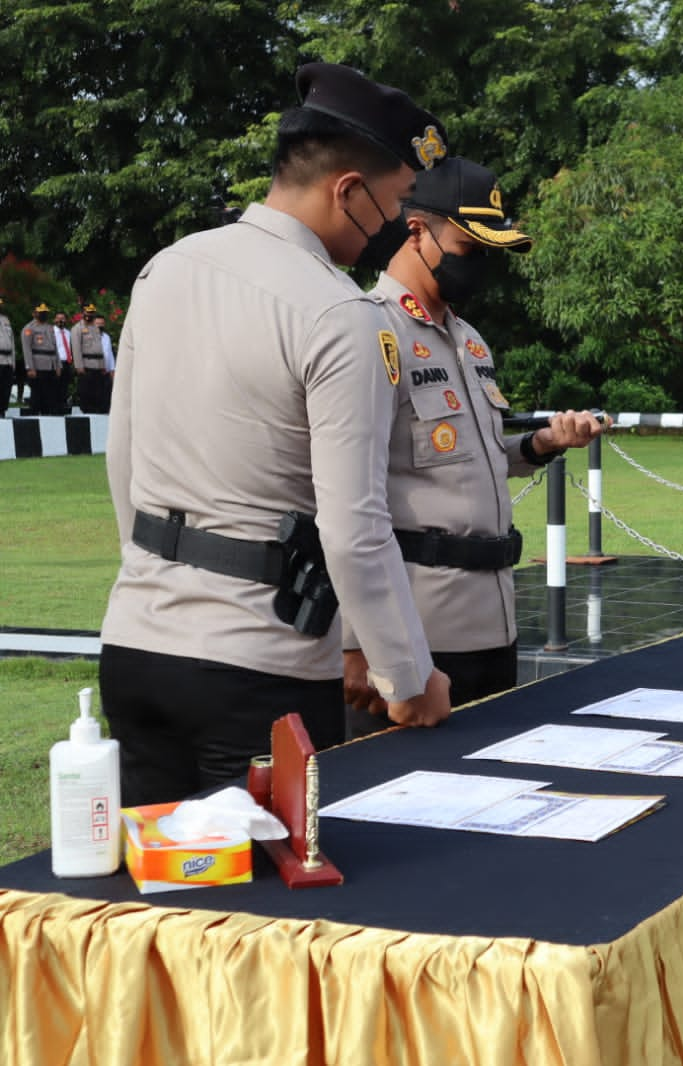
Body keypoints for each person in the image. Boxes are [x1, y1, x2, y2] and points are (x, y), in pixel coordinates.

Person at [100, 62, 455, 806]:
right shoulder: (339, 313)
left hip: (137, 642)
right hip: (261, 664)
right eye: (391, 202)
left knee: (156, 903)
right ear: (347, 190)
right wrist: (408, 676)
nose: (390, 225)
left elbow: (124, 461)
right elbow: (354, 527)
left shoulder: (166, 268)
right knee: (264, 916)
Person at [343, 157, 605, 734]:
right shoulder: (368, 330)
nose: (480, 264)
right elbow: (338, 498)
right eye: (470, 246)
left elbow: (471, 456)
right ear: (418, 231)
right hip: (418, 631)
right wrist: (354, 643)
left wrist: (540, 444)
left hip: (496, 621)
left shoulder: (468, 340)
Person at [20, 304, 61, 416]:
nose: (43, 314)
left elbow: (55, 347)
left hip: (51, 365)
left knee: (50, 395)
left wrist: (58, 365)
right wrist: (30, 367)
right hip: (37, 365)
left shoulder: (50, 327)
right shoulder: (29, 328)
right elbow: (27, 349)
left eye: (45, 312)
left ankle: (48, 415)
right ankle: (34, 416)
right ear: (34, 313)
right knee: (37, 395)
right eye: (41, 312)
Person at [70, 303, 110, 414]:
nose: (90, 314)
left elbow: (100, 348)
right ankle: (86, 411)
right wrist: (78, 366)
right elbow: (76, 349)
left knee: (98, 392)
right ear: (83, 312)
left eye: (92, 312)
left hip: (97, 365)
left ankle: (96, 411)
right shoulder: (77, 329)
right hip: (86, 364)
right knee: (86, 392)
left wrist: (102, 366)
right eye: (88, 312)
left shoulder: (96, 328)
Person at [52, 310, 74, 414]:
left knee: (65, 386)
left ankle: (63, 407)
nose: (61, 321)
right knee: (56, 386)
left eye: (63, 318)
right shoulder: (51, 332)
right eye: (58, 318)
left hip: (67, 362)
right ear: (54, 320)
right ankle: (55, 408)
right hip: (57, 363)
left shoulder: (69, 333)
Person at [0, 297, 14, 417]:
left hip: (7, 359)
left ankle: (3, 410)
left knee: (6, 387)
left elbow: (12, 342)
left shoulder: (6, 320)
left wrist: (13, 361)